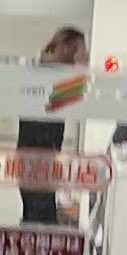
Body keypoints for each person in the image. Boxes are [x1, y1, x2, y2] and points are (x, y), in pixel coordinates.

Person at [17, 21, 88, 225]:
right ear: (66, 47)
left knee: (39, 213)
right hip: (37, 155)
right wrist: (81, 70)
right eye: (78, 50)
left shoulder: (49, 73)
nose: (82, 56)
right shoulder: (45, 74)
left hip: (41, 154)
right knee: (41, 216)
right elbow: (80, 97)